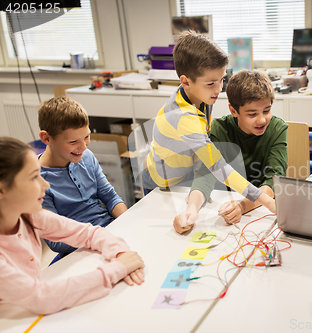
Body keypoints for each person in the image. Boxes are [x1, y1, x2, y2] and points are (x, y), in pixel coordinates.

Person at [143, 31, 275, 226]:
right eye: (211, 83)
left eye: (222, 79)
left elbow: (202, 145)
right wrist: (267, 202)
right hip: (161, 184)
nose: (219, 89)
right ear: (185, 81)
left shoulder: (201, 96)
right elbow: (218, 166)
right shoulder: (182, 117)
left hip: (183, 174)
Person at [0, 137, 145, 315]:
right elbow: (42, 297)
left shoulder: (29, 216)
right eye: (33, 178)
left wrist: (121, 254)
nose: (45, 184)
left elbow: (87, 232)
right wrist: (117, 269)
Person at [173, 70, 288, 233]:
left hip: (259, 212)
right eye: (252, 114)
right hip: (225, 208)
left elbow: (273, 182)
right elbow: (206, 175)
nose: (262, 119)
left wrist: (242, 206)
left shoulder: (277, 128)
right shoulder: (220, 129)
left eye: (267, 110)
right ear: (233, 110)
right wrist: (191, 211)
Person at [38, 96, 128, 259]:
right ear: (46, 138)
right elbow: (54, 240)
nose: (84, 146)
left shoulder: (86, 156)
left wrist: (128, 221)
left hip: (109, 232)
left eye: (86, 136)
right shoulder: (36, 181)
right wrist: (96, 237)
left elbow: (109, 197)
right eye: (73, 141)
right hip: (78, 249)